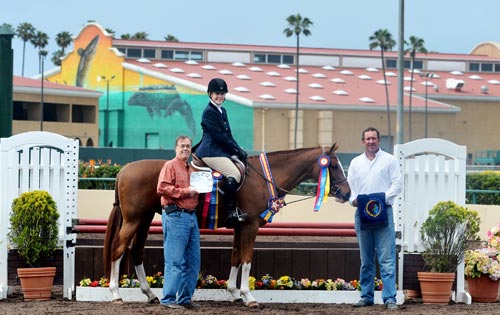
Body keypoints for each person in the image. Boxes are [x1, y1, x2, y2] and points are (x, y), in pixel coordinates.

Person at [347, 127, 402, 310]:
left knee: (386, 258)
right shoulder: (355, 163)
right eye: (368, 138)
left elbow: (397, 183)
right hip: (361, 214)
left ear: (379, 140)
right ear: (363, 141)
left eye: (374, 138)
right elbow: (351, 187)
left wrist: (381, 200)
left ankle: (390, 298)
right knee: (366, 259)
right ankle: (366, 296)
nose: (371, 141)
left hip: (384, 212)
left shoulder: (390, 160)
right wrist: (353, 201)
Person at [193, 77, 248, 228]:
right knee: (234, 174)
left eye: (222, 94)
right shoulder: (209, 112)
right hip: (211, 152)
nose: (220, 96)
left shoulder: (222, 110)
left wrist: (239, 150)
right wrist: (235, 150)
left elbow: (228, 135)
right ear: (210, 94)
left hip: (221, 150)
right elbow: (219, 137)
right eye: (217, 93)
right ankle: (230, 212)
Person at [157, 135, 200, 309]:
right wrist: (185, 192)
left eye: (188, 146)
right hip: (176, 215)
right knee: (175, 260)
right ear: (176, 148)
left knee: (193, 261)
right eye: (182, 146)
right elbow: (162, 187)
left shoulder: (192, 169)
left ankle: (184, 298)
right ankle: (168, 299)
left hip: (190, 216)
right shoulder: (170, 165)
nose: (185, 149)